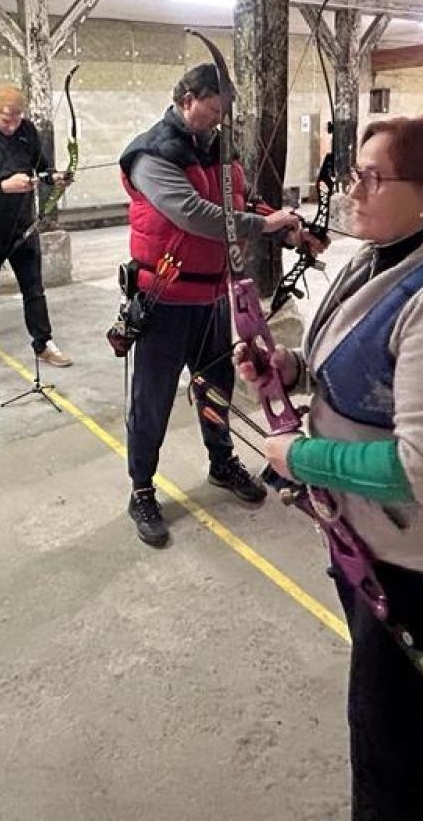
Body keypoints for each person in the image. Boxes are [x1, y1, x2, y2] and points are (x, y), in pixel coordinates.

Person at [242, 114, 423, 821]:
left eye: (372, 176)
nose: (351, 190)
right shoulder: (376, 259)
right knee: (381, 719)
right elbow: (359, 368)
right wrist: (289, 368)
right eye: (351, 172)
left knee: (388, 743)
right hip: (367, 534)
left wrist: (300, 457)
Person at [117, 62, 311, 548]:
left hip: (211, 297)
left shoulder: (219, 148)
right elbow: (192, 214)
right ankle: (142, 488)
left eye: (226, 112)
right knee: (152, 401)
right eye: (215, 108)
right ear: (188, 98)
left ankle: (221, 462)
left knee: (216, 388)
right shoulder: (151, 153)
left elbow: (243, 199)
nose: (220, 119)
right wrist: (261, 227)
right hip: (165, 300)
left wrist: (285, 223)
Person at [0, 85, 72, 388]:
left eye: (16, 119)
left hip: (22, 227)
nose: (10, 125)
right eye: (4, 119)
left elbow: (42, 168)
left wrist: (55, 177)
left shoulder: (27, 131)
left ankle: (43, 343)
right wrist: (5, 186)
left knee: (34, 290)